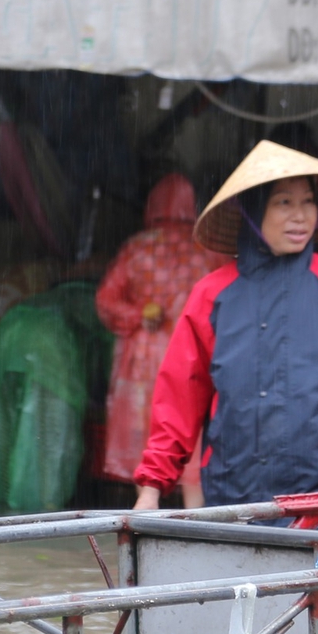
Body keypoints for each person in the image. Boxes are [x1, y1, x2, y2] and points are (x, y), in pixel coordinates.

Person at [133, 142, 318, 509]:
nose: (301, 216)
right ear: (254, 211)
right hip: (230, 498)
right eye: (284, 202)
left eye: (308, 202)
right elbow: (179, 397)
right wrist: (152, 486)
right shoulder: (212, 295)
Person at [95, 173, 212, 503]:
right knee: (195, 427)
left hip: (143, 354)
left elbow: (105, 300)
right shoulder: (206, 249)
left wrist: (138, 312)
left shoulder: (137, 247)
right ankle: (196, 510)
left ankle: (148, 503)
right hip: (193, 351)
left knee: (144, 428)